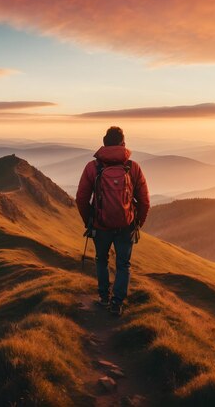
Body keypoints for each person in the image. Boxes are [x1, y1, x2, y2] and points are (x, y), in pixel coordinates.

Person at [75, 126, 150, 316]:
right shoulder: (132, 168)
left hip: (101, 226)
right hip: (126, 225)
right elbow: (144, 200)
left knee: (101, 260)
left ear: (104, 143)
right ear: (123, 144)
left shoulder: (93, 167)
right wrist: (137, 223)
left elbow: (82, 199)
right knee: (123, 265)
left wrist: (89, 221)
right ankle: (117, 303)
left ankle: (103, 298)